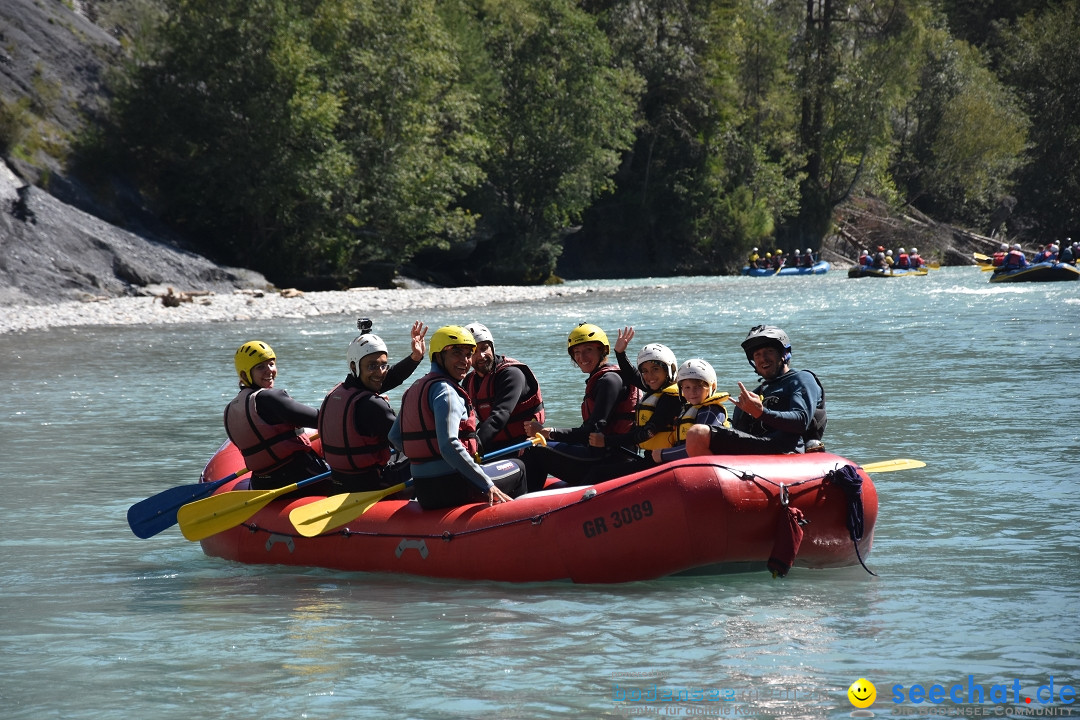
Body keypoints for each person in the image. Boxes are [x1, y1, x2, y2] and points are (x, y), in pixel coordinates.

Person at [390, 325, 527, 510]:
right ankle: (523, 521)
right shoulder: (447, 391)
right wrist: (487, 484)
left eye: (468, 354)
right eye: (456, 353)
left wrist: (426, 458)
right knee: (519, 467)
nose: (465, 360)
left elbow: (395, 437)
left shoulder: (413, 388)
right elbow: (448, 445)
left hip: (424, 489)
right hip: (456, 486)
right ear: (438, 356)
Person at [521, 323, 642, 491]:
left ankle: (525, 508)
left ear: (602, 351)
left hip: (608, 459)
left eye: (588, 350)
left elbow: (591, 432)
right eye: (577, 352)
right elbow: (590, 431)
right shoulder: (602, 379)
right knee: (533, 443)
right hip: (600, 454)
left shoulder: (609, 381)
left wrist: (548, 432)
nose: (582, 357)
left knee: (533, 449)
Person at [318, 319, 427, 495]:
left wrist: (415, 357)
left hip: (340, 481)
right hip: (373, 485)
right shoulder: (372, 405)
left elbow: (389, 378)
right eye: (372, 366)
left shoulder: (337, 393)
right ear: (354, 366)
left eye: (384, 365)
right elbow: (409, 442)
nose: (380, 372)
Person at [685, 326, 826, 456]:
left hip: (786, 449)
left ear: (784, 354)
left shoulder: (801, 379)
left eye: (769, 352)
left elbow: (801, 421)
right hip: (757, 450)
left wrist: (761, 412)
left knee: (698, 433)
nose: (763, 358)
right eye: (757, 355)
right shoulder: (755, 394)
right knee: (696, 435)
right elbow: (741, 434)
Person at [224, 340, 329, 491]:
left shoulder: (230, 409)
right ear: (244, 374)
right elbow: (322, 420)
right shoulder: (270, 398)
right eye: (260, 367)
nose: (269, 370)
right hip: (300, 476)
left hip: (261, 483)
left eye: (271, 364)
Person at [461, 322, 545, 454]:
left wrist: (475, 447)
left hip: (523, 446)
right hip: (494, 446)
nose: (481, 355)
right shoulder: (469, 381)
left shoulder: (511, 374)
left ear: (492, 348)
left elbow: (500, 415)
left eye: (484, 348)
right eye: (474, 352)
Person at [649, 359, 729, 465]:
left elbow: (697, 447)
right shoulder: (687, 409)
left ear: (712, 387)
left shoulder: (711, 412)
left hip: (711, 467)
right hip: (688, 465)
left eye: (698, 386)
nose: (692, 392)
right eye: (687, 387)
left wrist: (663, 454)